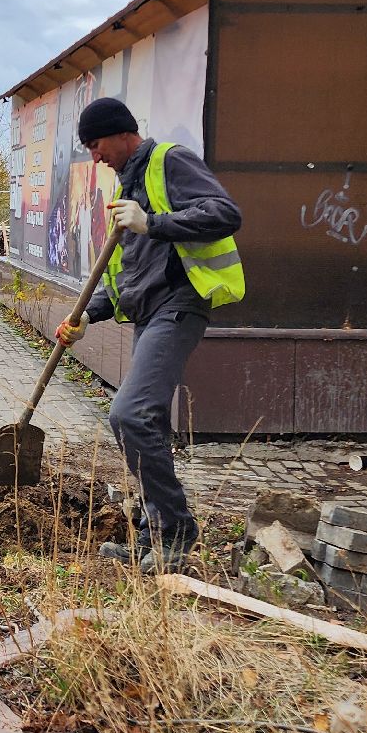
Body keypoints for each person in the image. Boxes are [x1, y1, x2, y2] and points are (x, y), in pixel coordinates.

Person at [56, 97, 244, 573]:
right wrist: (86, 318)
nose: (95, 157)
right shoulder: (127, 188)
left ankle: (178, 528)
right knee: (149, 423)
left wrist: (152, 222)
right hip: (149, 313)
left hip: (180, 304)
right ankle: (155, 536)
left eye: (96, 145)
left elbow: (225, 213)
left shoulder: (170, 161)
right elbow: (126, 276)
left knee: (130, 414)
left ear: (122, 133)